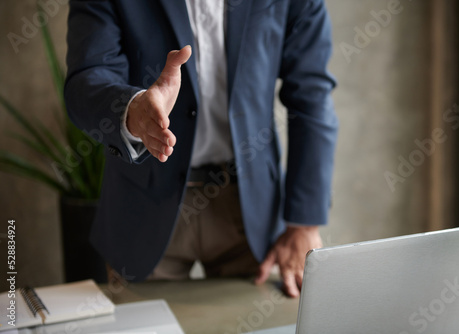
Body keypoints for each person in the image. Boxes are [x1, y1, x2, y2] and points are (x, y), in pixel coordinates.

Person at [64, 0, 338, 298]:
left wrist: (304, 223)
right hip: (144, 205)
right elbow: (88, 77)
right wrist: (132, 110)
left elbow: (311, 96)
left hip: (251, 212)